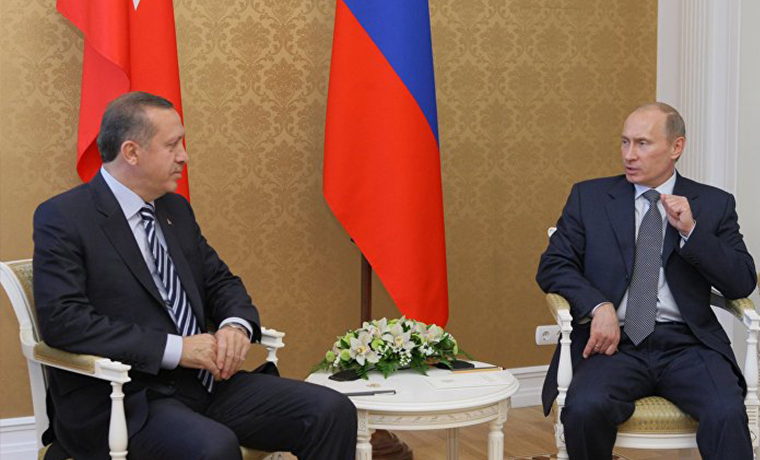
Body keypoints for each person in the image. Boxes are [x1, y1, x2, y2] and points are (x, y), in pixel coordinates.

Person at [33, 91, 357, 460]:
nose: (184, 155)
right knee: (213, 447)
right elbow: (64, 321)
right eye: (172, 145)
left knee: (331, 411)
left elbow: (220, 282)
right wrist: (177, 349)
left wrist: (235, 326)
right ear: (132, 152)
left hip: (205, 383)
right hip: (128, 397)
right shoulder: (65, 217)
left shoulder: (175, 209)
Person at [536, 102, 757, 459]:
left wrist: (692, 232)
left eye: (642, 144)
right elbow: (553, 265)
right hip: (614, 345)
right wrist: (599, 305)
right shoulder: (589, 198)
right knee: (584, 408)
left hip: (689, 345)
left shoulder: (713, 204)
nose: (629, 155)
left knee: (726, 412)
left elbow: (741, 282)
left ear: (676, 147)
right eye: (625, 142)